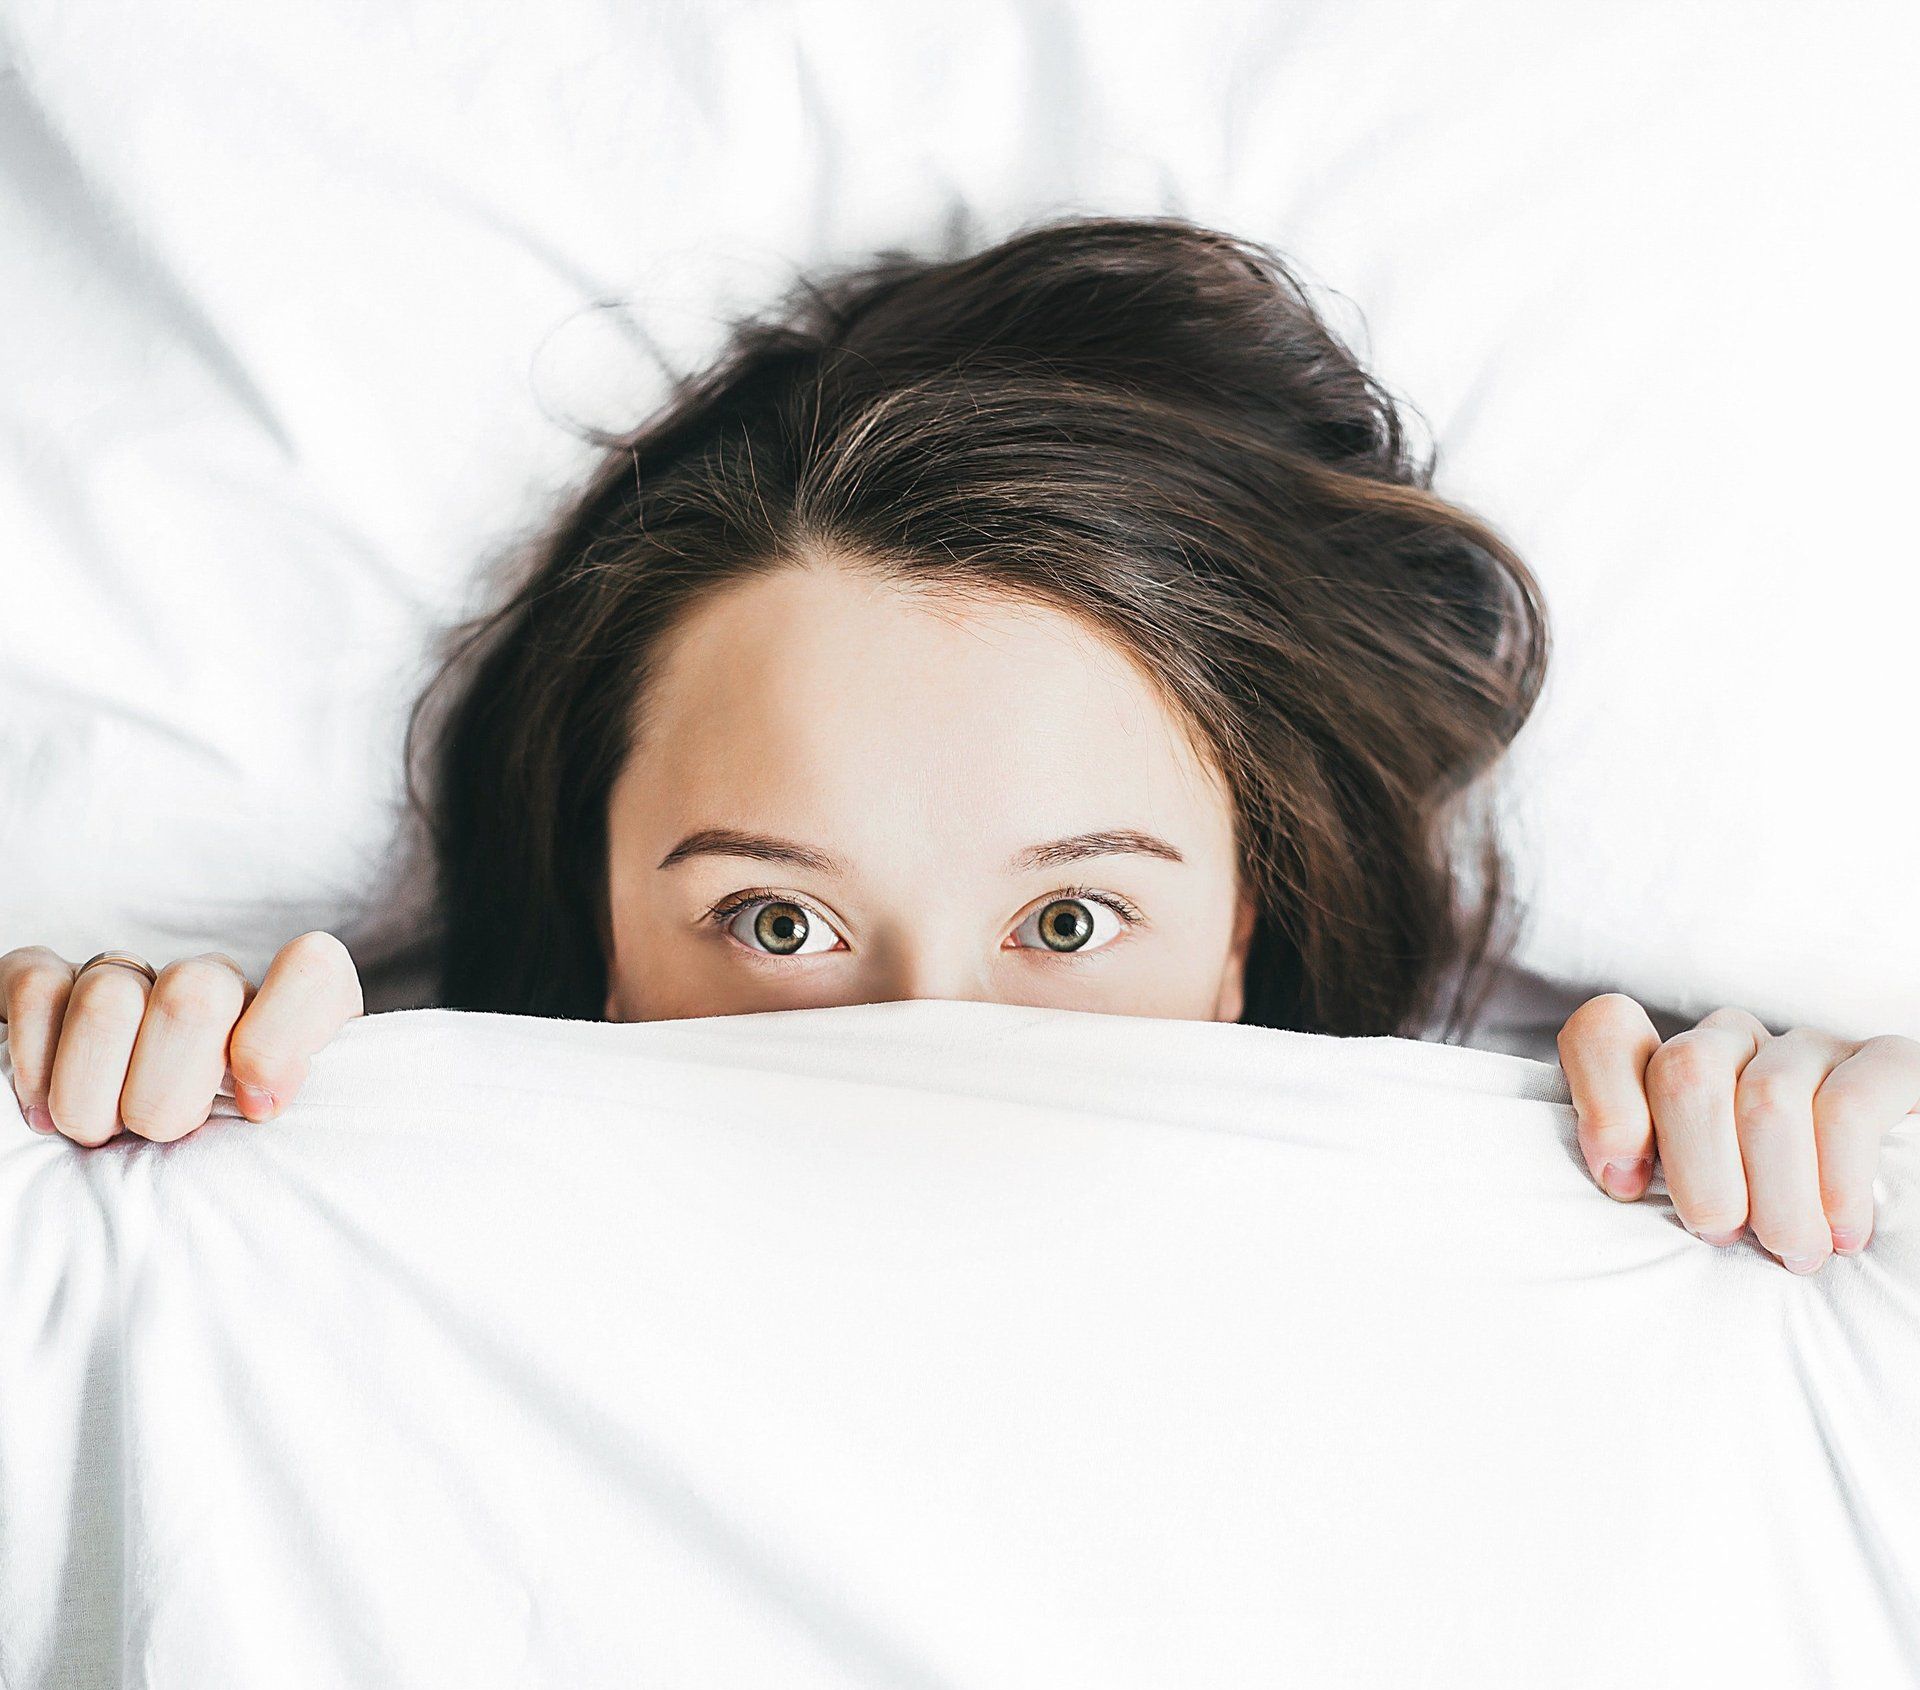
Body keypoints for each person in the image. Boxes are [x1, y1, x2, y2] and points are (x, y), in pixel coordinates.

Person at [3, 214, 1914, 1274]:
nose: (926, 1054)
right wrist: (83, 1116)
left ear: (1252, 930)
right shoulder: (337, 1224)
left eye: (1072, 924)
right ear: (591, 920)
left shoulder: (1563, 1237)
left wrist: (1840, 1168)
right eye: (774, 920)